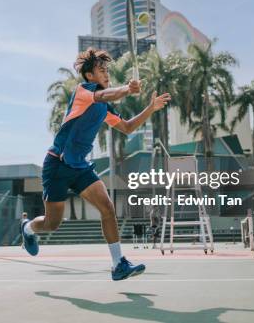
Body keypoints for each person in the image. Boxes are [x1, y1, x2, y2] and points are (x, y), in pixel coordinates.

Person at [20, 48, 171, 281]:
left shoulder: (104, 107)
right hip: (57, 165)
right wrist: (127, 90)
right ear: (90, 76)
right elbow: (106, 95)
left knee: (107, 208)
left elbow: (127, 127)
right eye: (102, 70)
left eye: (107, 70)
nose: (106, 74)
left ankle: (118, 264)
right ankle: (28, 229)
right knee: (52, 224)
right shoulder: (84, 92)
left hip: (80, 166)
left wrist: (151, 107)